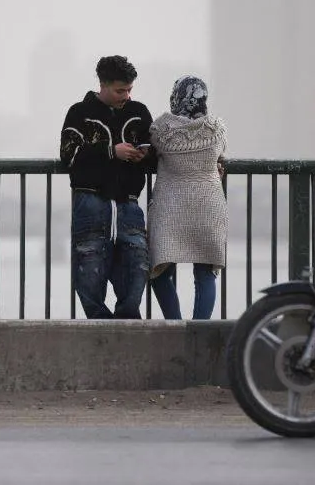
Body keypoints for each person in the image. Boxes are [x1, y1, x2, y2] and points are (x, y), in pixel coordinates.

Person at [60, 56, 155, 319]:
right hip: (90, 204)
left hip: (129, 205)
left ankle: (126, 327)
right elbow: (69, 155)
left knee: (137, 271)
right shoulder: (79, 113)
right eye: (119, 91)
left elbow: (156, 153)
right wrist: (112, 151)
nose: (126, 96)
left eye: (129, 90)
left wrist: (144, 155)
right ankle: (100, 329)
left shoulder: (139, 113)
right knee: (88, 278)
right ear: (102, 84)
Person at [147, 76, 228, 320]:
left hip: (170, 207)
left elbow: (152, 152)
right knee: (205, 273)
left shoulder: (161, 129)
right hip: (209, 205)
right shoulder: (216, 128)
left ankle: (174, 324)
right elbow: (221, 156)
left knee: (160, 271)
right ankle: (199, 330)